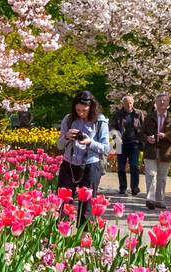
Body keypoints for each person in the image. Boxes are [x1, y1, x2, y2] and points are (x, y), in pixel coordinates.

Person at [57, 90, 110, 227]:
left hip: (90, 165)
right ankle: (62, 231)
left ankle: (83, 236)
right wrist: (67, 137)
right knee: (64, 200)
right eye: (78, 110)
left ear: (91, 108)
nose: (81, 113)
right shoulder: (69, 119)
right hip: (69, 164)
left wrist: (89, 142)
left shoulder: (99, 121)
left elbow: (106, 148)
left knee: (87, 204)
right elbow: (59, 145)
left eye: (84, 110)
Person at [142, 93, 171, 210]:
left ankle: (159, 200)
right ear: (155, 102)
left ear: (168, 103)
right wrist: (147, 138)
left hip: (166, 151)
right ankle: (150, 199)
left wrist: (166, 136)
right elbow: (141, 133)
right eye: (159, 100)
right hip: (150, 150)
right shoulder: (149, 117)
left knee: (162, 177)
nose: (162, 102)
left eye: (164, 100)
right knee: (151, 174)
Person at [109, 95, 144, 196]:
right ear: (122, 104)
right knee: (121, 168)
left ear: (133, 103)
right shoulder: (117, 114)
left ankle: (134, 187)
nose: (129, 104)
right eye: (126, 102)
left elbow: (143, 127)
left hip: (134, 143)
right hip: (121, 144)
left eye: (130, 102)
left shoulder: (139, 114)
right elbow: (111, 127)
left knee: (134, 166)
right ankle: (123, 187)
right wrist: (116, 136)